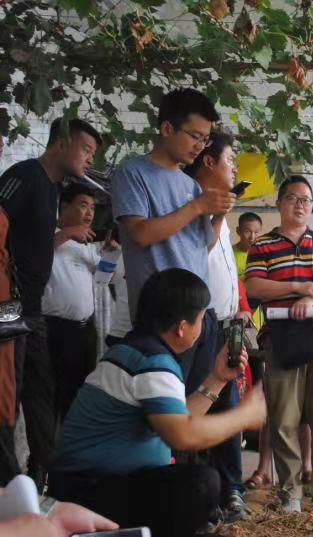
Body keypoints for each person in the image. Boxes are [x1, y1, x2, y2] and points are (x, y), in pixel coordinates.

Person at [48, 268, 266, 537]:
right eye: (201, 319)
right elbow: (183, 435)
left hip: (86, 486)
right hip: (87, 491)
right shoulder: (153, 363)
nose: (203, 328)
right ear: (182, 328)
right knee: (199, 485)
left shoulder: (135, 350)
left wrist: (218, 379)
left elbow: (178, 418)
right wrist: (244, 416)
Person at [110, 88, 235, 398]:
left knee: (200, 403)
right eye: (195, 136)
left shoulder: (190, 186)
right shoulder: (132, 173)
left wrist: (218, 213)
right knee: (165, 408)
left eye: (205, 139)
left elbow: (202, 248)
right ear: (167, 128)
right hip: (164, 318)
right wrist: (197, 207)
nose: (200, 146)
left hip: (202, 312)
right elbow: (140, 234)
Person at [0, 117, 102, 489]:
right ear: (61, 143)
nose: (89, 159)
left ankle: (48, 474)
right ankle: (10, 483)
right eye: (85, 149)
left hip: (33, 309)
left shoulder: (52, 188)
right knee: (8, 392)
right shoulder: (24, 176)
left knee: (42, 392)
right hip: (8, 307)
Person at [245, 175, 313, 515]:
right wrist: (298, 288)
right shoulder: (263, 245)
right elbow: (254, 286)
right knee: (284, 420)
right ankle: (290, 493)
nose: (300, 205)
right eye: (292, 198)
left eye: (306, 199)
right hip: (281, 342)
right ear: (279, 204)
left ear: (312, 206)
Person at [185, 131, 253, 522]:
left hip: (227, 322)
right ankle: (199, 494)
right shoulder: (189, 200)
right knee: (201, 403)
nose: (235, 169)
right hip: (200, 323)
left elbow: (227, 268)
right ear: (208, 161)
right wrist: (219, 214)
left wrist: (240, 307)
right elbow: (199, 252)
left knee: (227, 406)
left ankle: (231, 490)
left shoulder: (219, 206)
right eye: (231, 160)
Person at [42, 183, 112, 425]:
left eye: (93, 208)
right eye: (83, 205)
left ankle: (69, 442)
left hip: (84, 331)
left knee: (78, 392)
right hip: (53, 329)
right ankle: (45, 447)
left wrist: (110, 254)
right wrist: (67, 233)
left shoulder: (86, 244)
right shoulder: (47, 234)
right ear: (64, 206)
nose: (90, 213)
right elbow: (32, 254)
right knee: (50, 393)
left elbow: (103, 279)